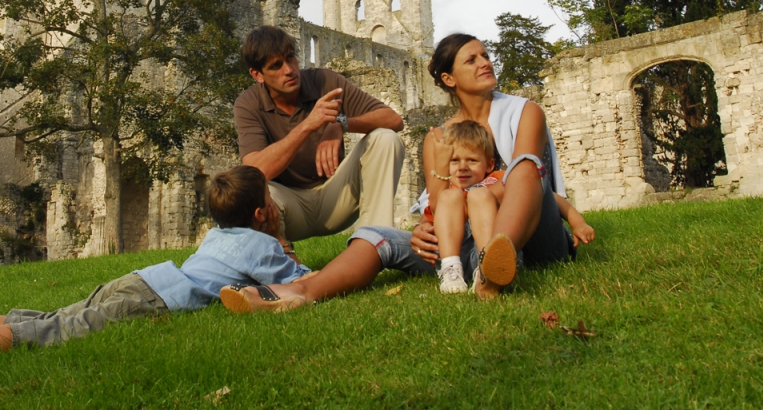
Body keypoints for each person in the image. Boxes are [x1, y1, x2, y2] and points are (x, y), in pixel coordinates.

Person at [219, 32, 592, 311]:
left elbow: (532, 179)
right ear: (449, 79)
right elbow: (438, 198)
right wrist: (425, 230)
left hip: (530, 237)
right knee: (377, 238)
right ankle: (299, 292)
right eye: (472, 59)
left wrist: (339, 123)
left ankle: (496, 263)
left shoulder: (526, 111)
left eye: (485, 55)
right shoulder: (438, 137)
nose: (486, 63)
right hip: (461, 246)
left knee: (525, 166)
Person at [0, 165, 308, 372]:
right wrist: (279, 237)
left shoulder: (216, 236)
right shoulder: (261, 246)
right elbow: (301, 280)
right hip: (156, 300)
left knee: (51, 317)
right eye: (270, 203)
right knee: (55, 331)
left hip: (144, 278)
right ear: (260, 212)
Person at [234, 25, 406, 243]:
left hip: (337, 196)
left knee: (386, 138)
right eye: (276, 66)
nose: (289, 70)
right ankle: (281, 266)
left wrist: (341, 124)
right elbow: (255, 170)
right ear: (257, 74)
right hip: (288, 205)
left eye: (291, 58)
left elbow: (394, 120)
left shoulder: (325, 81)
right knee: (252, 191)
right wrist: (308, 126)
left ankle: (377, 246)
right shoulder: (248, 104)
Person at [426, 120, 594, 294]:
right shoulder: (448, 191)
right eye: (454, 160)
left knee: (479, 194)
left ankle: (488, 268)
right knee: (448, 197)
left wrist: (578, 222)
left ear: (489, 165)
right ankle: (450, 270)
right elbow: (434, 212)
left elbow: (550, 197)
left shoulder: (500, 179)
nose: (462, 167)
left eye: (472, 160)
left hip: (494, 251)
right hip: (459, 255)